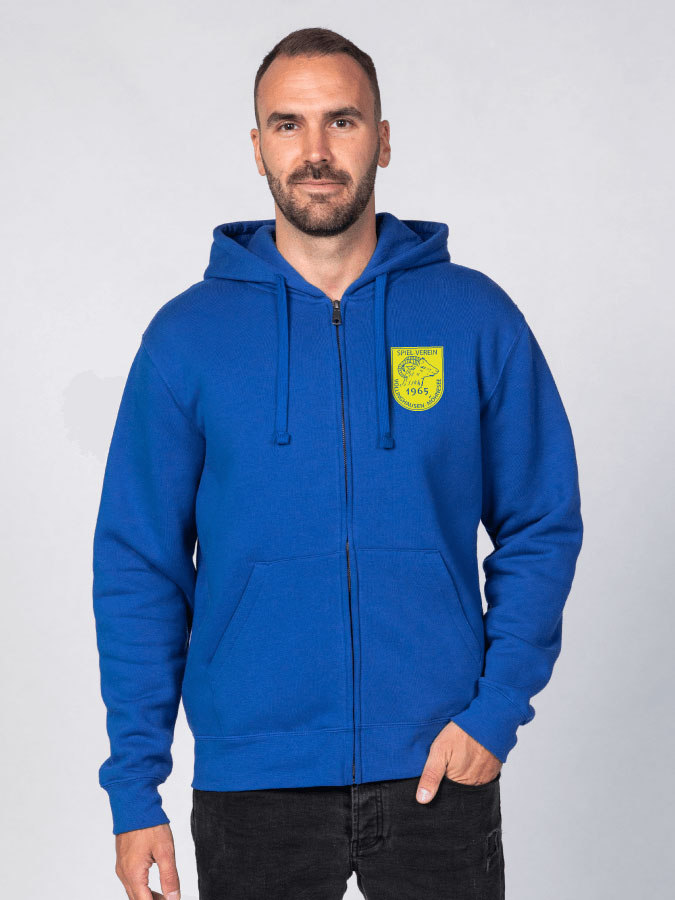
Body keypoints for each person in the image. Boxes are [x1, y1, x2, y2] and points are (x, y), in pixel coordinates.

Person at [92, 26, 584, 900]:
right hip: (253, 783)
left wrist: (494, 711)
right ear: (257, 148)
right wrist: (135, 791)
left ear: (382, 139)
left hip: (438, 766)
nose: (315, 151)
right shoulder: (186, 338)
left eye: (342, 121)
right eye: (288, 124)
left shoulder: (474, 317)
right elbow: (139, 566)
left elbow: (540, 522)